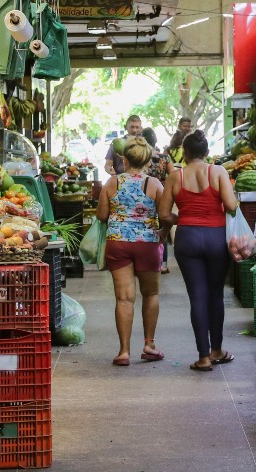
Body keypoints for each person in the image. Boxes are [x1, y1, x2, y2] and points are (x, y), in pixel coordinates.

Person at [157, 130, 239, 371]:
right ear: (206, 152)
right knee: (216, 295)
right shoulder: (218, 172)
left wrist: (185, 218)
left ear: (185, 153)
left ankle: (203, 357)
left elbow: (163, 214)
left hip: (187, 239)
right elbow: (231, 205)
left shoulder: (175, 177)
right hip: (216, 238)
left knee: (197, 297)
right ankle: (217, 350)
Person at [94, 137, 164, 366]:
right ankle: (149, 344)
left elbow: (102, 216)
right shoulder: (154, 184)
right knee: (151, 294)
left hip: (118, 243)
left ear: (124, 159)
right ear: (147, 161)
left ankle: (124, 351)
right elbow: (164, 215)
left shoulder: (112, 183)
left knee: (124, 298)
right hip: (148, 243)